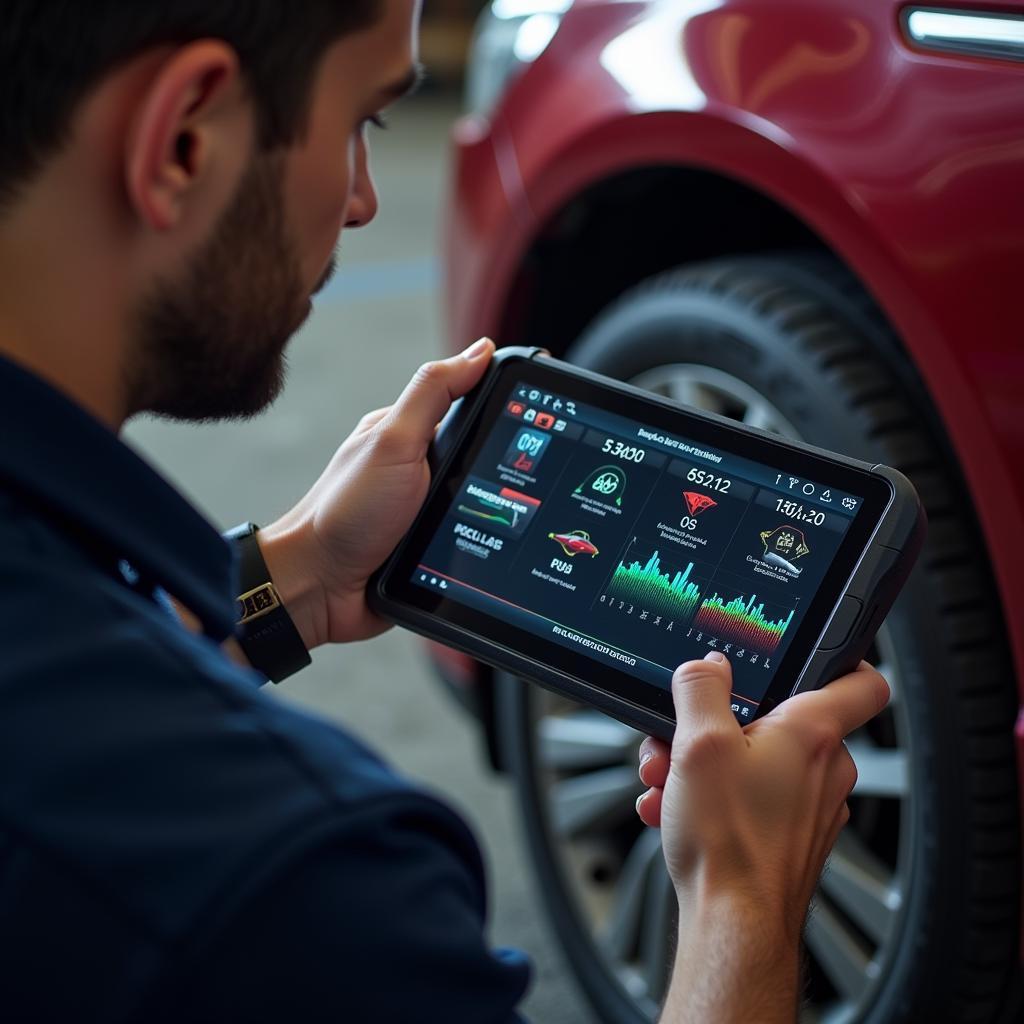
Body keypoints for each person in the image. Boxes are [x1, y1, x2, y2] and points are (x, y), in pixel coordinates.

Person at [0, 1, 889, 1021]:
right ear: (184, 139)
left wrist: (295, 577)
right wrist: (745, 899)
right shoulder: (291, 888)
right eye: (361, 124)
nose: (368, 201)